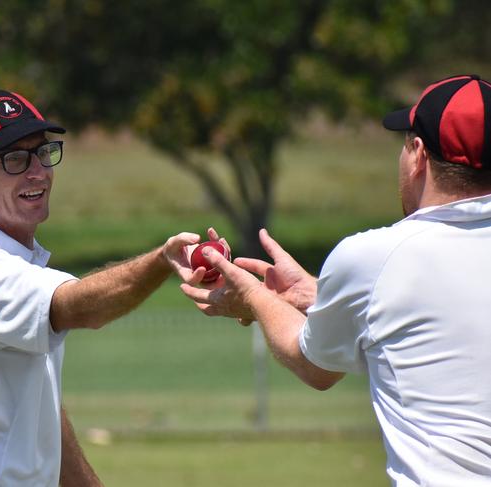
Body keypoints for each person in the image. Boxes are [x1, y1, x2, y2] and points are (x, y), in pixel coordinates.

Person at [0, 89, 212, 486]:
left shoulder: (17, 260)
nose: (37, 171)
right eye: (15, 159)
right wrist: (162, 261)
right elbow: (78, 307)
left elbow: (39, 412)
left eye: (42, 152)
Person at [181, 74, 491, 486]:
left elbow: (316, 367)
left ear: (418, 153)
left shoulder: (375, 257)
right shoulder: (379, 270)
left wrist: (254, 298)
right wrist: (319, 295)